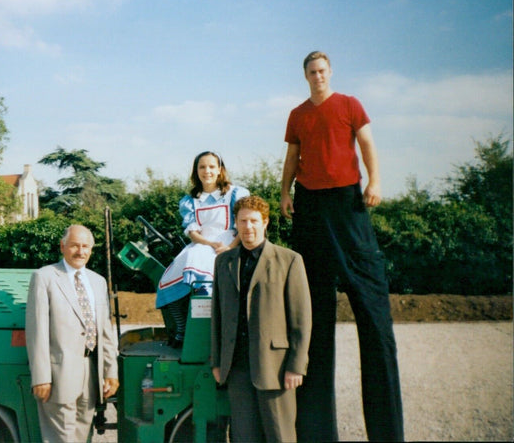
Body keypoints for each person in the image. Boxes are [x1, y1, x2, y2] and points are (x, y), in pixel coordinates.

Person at [281, 50, 405, 441]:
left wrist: (375, 182)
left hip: (348, 204)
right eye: (311, 72)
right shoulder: (298, 114)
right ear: (305, 76)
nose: (317, 76)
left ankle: (387, 433)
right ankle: (317, 434)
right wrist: (285, 192)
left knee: (373, 315)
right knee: (312, 316)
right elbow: (292, 155)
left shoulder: (349, 104)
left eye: (322, 71)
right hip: (311, 208)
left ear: (329, 73)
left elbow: (367, 144)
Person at [211, 195, 312, 442]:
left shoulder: (289, 260)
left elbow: (301, 319)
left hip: (276, 367)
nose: (249, 227)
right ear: (236, 223)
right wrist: (217, 361)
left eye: (254, 221)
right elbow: (217, 315)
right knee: (243, 437)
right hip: (236, 367)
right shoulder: (223, 262)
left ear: (265, 223)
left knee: (281, 436)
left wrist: (296, 366)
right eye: (243, 221)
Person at [25, 224, 119, 443]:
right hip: (58, 377)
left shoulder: (98, 281)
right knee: (62, 439)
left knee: (83, 437)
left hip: (90, 375)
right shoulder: (44, 277)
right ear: (62, 246)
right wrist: (41, 377)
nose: (81, 251)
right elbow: (36, 330)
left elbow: (104, 330)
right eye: (75, 245)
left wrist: (110, 371)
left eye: (86, 246)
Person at [155, 150, 249, 347]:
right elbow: (193, 233)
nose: (207, 171)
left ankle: (216, 334)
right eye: (202, 167)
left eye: (212, 166)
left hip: (229, 243)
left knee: (205, 285)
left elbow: (243, 224)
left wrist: (230, 247)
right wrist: (210, 244)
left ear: (220, 170)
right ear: (196, 171)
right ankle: (182, 329)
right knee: (167, 281)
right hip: (202, 245)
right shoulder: (190, 200)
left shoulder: (234, 193)